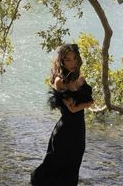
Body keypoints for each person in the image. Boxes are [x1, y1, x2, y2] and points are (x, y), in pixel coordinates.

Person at [31, 43, 94, 186]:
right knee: (52, 167)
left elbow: (87, 103)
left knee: (73, 166)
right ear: (62, 61)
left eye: (74, 59)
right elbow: (72, 108)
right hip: (64, 132)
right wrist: (86, 103)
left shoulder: (80, 78)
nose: (72, 63)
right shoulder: (60, 81)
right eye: (68, 59)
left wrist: (84, 103)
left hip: (79, 131)